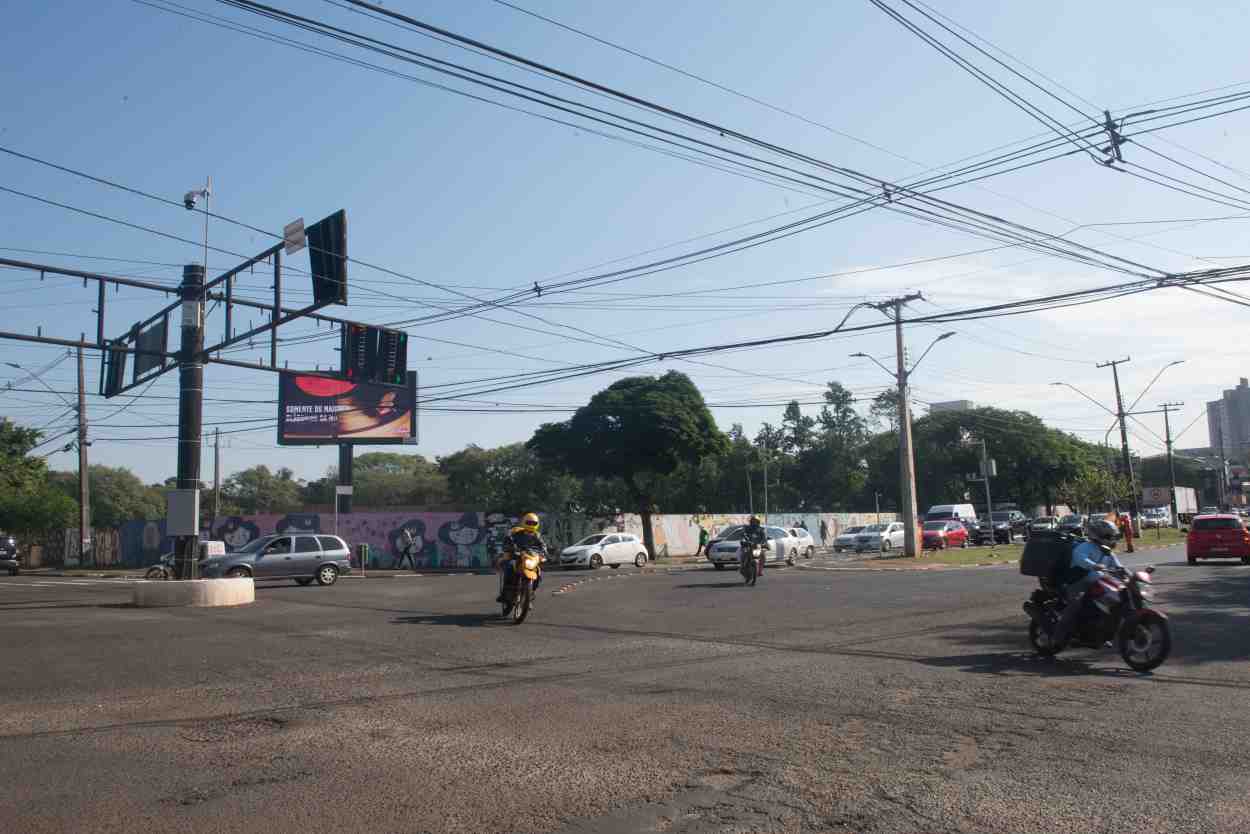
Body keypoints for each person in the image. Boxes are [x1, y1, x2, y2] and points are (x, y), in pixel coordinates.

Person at [1052, 518, 1124, 643]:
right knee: (1075, 604)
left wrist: (1129, 576)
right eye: (1108, 536)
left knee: (1114, 599)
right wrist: (1093, 565)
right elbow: (1081, 559)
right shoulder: (1085, 547)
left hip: (1098, 582)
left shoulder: (1107, 551)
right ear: (1098, 535)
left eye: (1113, 536)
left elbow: (1118, 567)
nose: (1112, 539)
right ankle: (1057, 637)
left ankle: (1101, 630)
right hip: (1078, 582)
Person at [496, 512, 548, 603]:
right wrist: (509, 547)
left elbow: (543, 546)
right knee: (509, 567)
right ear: (524, 522)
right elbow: (508, 540)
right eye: (529, 523)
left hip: (530, 557)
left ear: (537, 524)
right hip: (517, 556)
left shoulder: (537, 536)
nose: (531, 525)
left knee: (538, 572)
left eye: (533, 523)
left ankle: (531, 592)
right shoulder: (516, 533)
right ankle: (505, 593)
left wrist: (543, 553)